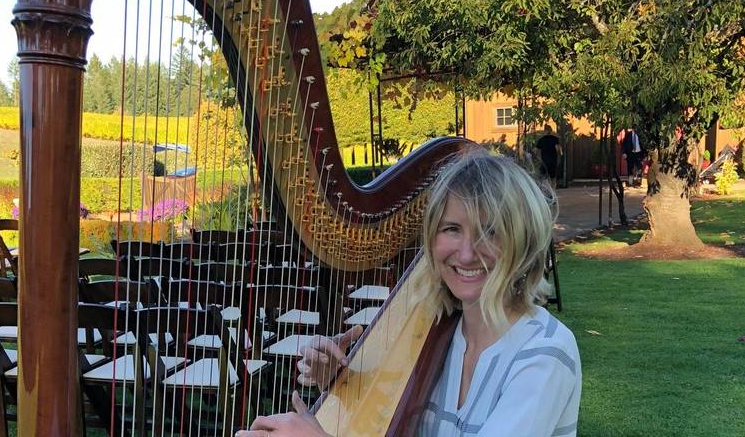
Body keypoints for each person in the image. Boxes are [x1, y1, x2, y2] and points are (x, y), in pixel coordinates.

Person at [235, 152, 581, 437]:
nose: (465, 254)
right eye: (451, 229)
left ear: (523, 240)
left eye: (489, 231)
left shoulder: (544, 353)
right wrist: (341, 380)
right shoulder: (441, 328)